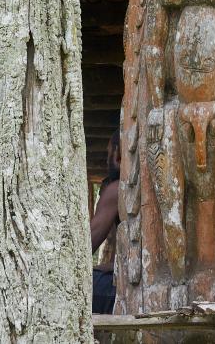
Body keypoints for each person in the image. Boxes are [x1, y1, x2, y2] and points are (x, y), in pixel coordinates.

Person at [89, 130, 121, 314]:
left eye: (108, 152)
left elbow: (87, 246)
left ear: (117, 155)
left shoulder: (116, 189)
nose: (106, 159)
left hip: (122, 292)